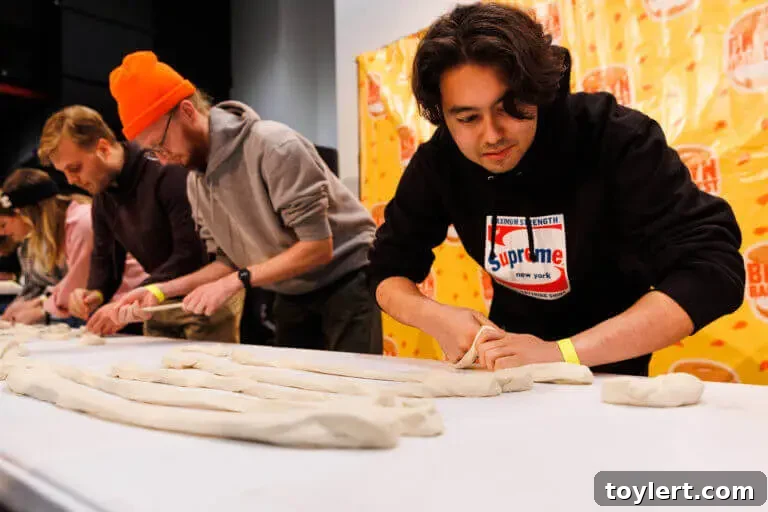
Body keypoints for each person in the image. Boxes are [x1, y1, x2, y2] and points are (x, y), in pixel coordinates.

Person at [367, 2, 745, 376]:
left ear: (537, 90)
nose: (492, 135)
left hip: (609, 373)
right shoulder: (440, 161)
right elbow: (386, 270)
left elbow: (711, 269)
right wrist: (436, 317)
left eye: (510, 107)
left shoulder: (615, 138)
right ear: (442, 114)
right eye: (467, 118)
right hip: (509, 371)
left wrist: (559, 354)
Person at [106, 50, 382, 354]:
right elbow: (229, 261)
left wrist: (236, 281)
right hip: (289, 288)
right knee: (298, 390)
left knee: (356, 386)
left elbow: (317, 247)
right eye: (150, 152)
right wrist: (159, 291)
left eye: (160, 143)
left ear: (186, 111)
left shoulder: (274, 146)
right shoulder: (196, 182)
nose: (162, 159)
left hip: (346, 279)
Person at [37, 105, 242, 342]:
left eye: (75, 168)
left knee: (207, 374)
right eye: (64, 173)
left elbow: (191, 252)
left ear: (103, 148)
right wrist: (94, 293)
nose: (71, 180)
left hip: (207, 297)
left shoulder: (165, 170)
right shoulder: (103, 198)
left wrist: (135, 295)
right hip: (155, 300)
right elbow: (105, 259)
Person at [0, 168, 147, 328]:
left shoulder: (82, 222)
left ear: (29, 214)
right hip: (110, 306)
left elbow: (78, 283)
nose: (2, 232)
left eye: (3, 224)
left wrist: (43, 308)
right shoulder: (64, 226)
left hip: (131, 305)